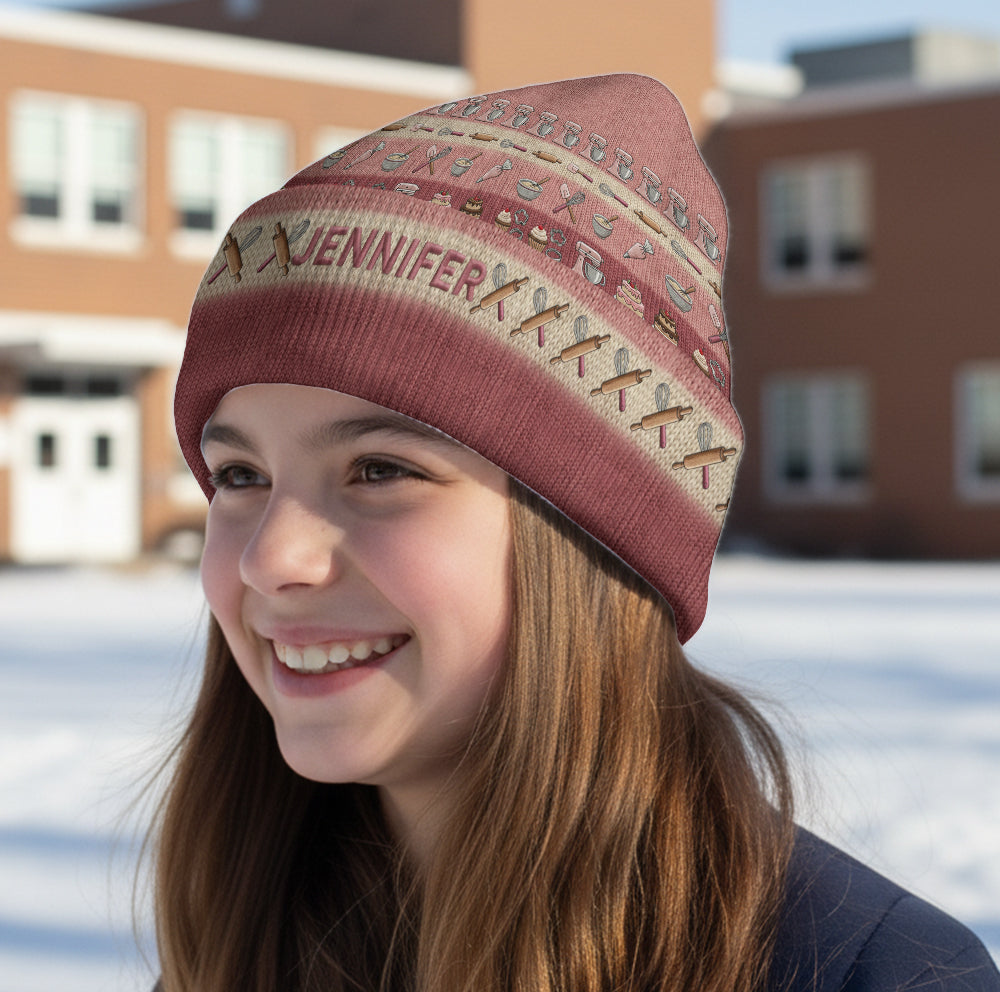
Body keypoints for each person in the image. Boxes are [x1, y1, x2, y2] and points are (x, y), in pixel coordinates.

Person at [156, 74, 999, 992]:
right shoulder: (244, 942)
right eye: (240, 475)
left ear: (595, 534)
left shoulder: (876, 976)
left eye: (381, 470)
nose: (272, 557)